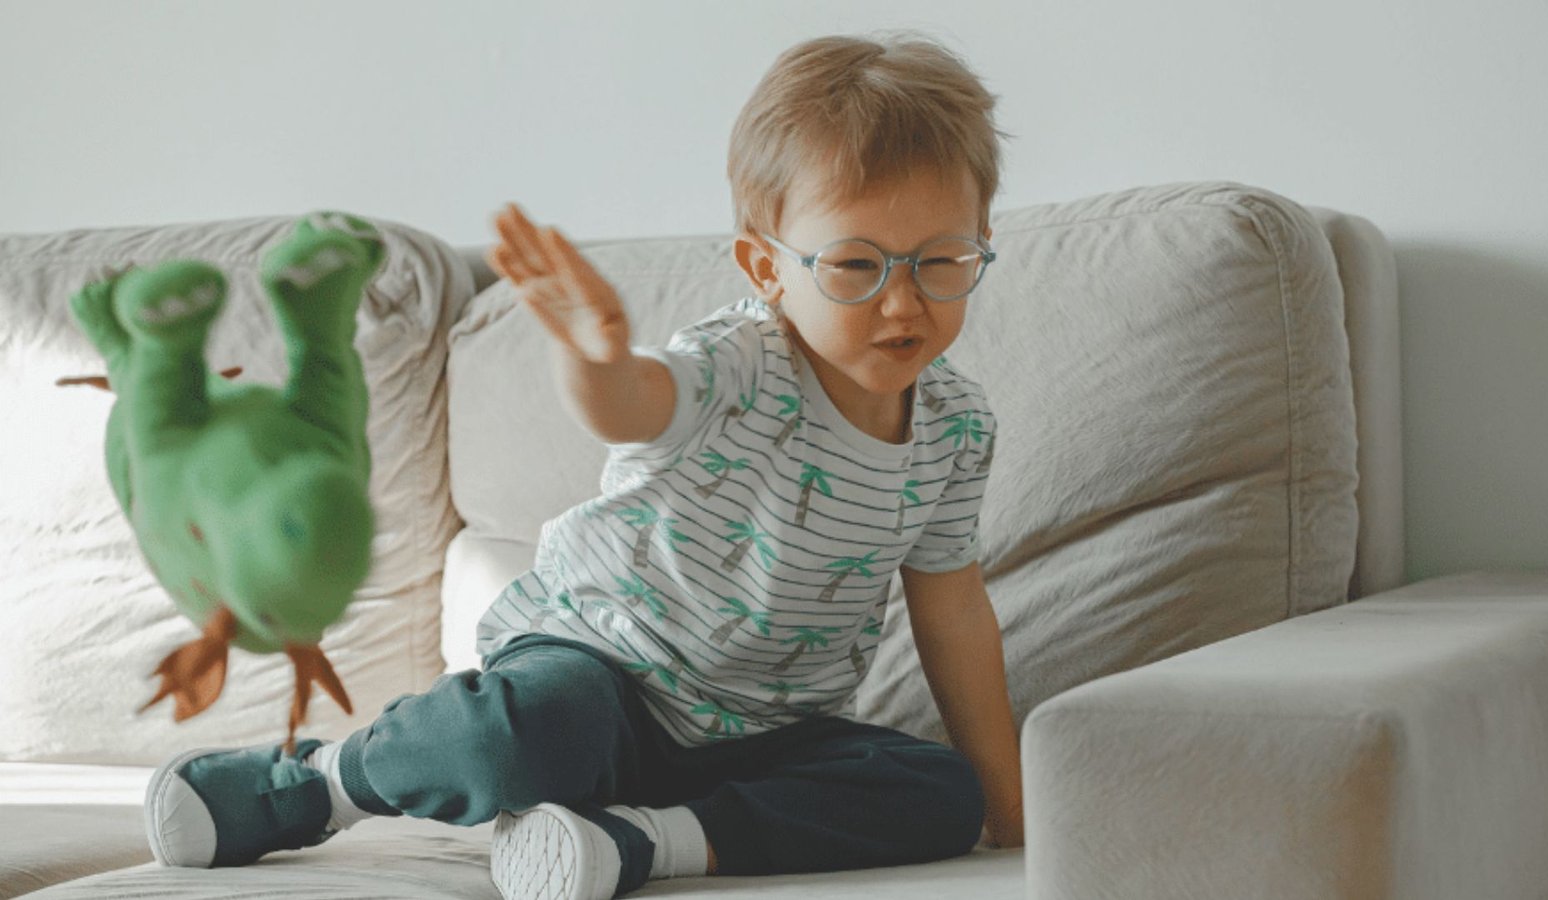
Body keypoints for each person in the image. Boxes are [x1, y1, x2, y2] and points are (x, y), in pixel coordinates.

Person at [144, 32, 1023, 900]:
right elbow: (635, 403)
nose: (902, 300)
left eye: (942, 261)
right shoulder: (738, 363)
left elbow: (952, 612)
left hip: (764, 733)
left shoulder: (957, 428)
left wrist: (1008, 801)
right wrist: (596, 357)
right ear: (767, 268)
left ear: (980, 239)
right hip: (601, 671)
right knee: (518, 737)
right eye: (855, 266)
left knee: (940, 793)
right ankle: (316, 784)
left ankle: (642, 842)